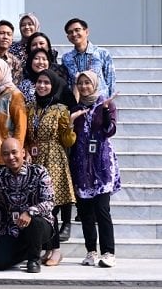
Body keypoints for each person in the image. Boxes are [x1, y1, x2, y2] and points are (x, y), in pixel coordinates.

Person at [25, 70, 77, 266]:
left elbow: (68, 141)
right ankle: (47, 248)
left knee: (51, 206)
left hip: (54, 159)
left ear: (53, 86)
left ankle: (55, 250)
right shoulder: (30, 107)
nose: (42, 86)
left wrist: (70, 126)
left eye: (47, 82)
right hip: (35, 159)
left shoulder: (61, 109)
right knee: (38, 206)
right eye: (39, 82)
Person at [70, 71, 120, 268]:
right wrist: (71, 120)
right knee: (85, 212)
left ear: (95, 84)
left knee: (102, 210)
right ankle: (91, 251)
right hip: (81, 165)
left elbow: (110, 131)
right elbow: (69, 139)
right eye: (80, 83)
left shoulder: (105, 104)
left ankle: (108, 252)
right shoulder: (75, 108)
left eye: (87, 83)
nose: (83, 87)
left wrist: (106, 112)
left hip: (101, 165)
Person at [0, 138, 55, 273]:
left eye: (14, 152)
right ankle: (27, 250)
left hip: (39, 226)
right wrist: (2, 241)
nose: (11, 157)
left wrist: (30, 212)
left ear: (23, 152)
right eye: (6, 154)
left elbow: (50, 201)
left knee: (35, 222)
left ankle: (34, 259)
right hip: (13, 228)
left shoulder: (39, 171)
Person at [61, 18, 116, 99]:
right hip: (78, 104)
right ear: (68, 37)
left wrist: (108, 102)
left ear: (86, 32)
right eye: (70, 32)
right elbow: (68, 83)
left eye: (77, 30)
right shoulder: (66, 58)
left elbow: (110, 80)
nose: (74, 34)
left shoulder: (102, 53)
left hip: (99, 102)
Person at [0, 20, 23, 85]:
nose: (5, 37)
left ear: (12, 39)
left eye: (9, 34)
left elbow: (15, 86)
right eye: (1, 33)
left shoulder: (15, 62)